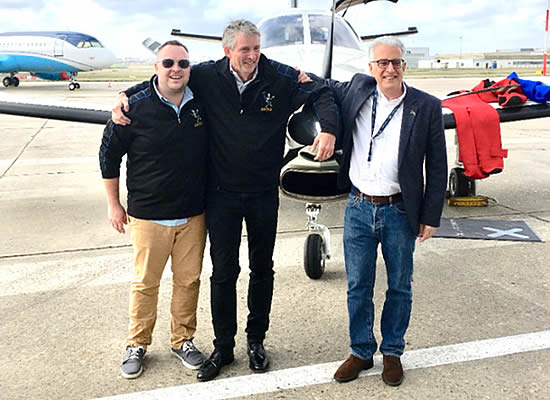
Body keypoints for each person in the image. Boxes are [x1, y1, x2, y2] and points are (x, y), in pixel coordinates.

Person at [111, 20, 338, 382]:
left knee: (263, 269)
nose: (252, 56)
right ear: (227, 50)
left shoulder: (278, 76)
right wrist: (126, 95)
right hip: (222, 196)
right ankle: (224, 346)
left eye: (256, 48)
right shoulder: (205, 76)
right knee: (223, 273)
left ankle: (256, 341)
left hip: (263, 193)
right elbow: (164, 80)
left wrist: (328, 128)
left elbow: (323, 90)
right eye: (244, 49)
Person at [321, 36, 447, 386]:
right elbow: (322, 86)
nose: (389, 69)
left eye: (395, 62)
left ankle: (392, 352)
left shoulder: (426, 106)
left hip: (398, 211)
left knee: (400, 287)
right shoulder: (358, 92)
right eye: (382, 63)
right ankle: (361, 351)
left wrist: (430, 215)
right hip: (358, 207)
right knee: (358, 286)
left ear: (404, 66)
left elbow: (437, 167)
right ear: (370, 68)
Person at [99, 40, 209, 379]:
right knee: (145, 284)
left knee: (188, 281)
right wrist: (114, 204)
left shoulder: (201, 100)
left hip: (193, 214)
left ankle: (183, 340)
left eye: (183, 63)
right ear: (156, 67)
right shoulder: (133, 106)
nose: (176, 69)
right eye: (168, 63)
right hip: (149, 214)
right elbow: (108, 156)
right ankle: (137, 343)